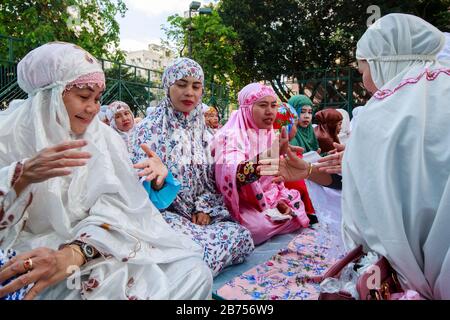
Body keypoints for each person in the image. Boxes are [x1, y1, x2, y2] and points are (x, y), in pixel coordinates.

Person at [0, 43, 212, 300]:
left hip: (93, 243)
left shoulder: (104, 139)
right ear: (50, 94)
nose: (92, 109)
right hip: (31, 249)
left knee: (194, 271)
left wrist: (75, 253)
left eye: (98, 98)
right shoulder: (7, 136)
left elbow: (121, 203)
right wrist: (19, 179)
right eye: (83, 96)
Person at [342, 13, 450, 299]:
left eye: (363, 69)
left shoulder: (381, 115)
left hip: (410, 281)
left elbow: (366, 222)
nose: (364, 82)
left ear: (381, 63)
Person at [131, 58, 254, 277]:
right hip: (163, 216)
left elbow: (209, 181)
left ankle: (184, 268)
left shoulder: (203, 133)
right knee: (196, 255)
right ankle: (184, 268)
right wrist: (160, 181)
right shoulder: (147, 131)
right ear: (168, 86)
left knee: (241, 236)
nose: (189, 92)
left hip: (198, 218)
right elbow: (137, 190)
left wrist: (203, 207)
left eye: (196, 86)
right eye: (181, 84)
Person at [213, 83, 310, 245]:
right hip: (243, 203)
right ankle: (273, 223)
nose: (270, 111)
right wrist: (270, 154)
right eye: (263, 105)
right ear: (246, 109)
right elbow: (232, 173)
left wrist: (278, 201)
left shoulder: (269, 133)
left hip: (267, 199)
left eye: (273, 106)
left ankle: (276, 218)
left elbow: (274, 180)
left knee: (297, 204)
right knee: (255, 229)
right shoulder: (229, 135)